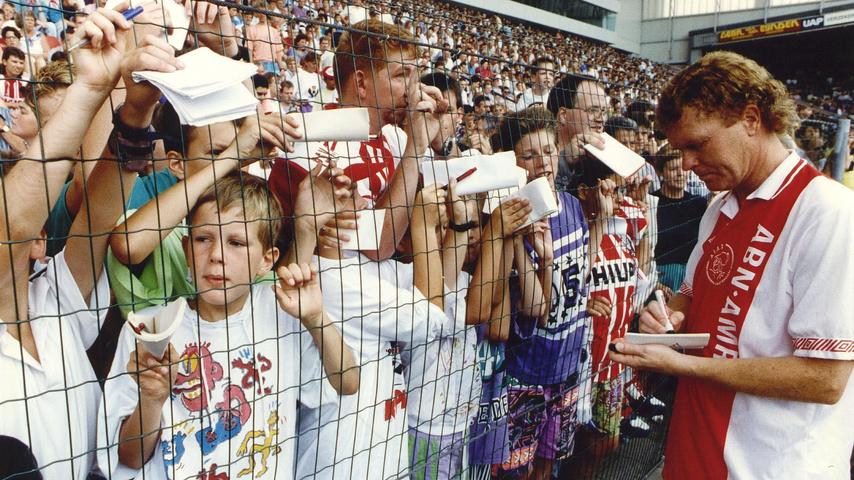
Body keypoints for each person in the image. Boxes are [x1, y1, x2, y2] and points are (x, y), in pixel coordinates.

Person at [610, 51, 854, 479]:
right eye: (679, 149)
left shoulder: (828, 213)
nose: (686, 163)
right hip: (694, 453)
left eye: (696, 145)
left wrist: (683, 365)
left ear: (751, 119)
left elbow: (826, 379)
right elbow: (690, 299)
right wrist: (668, 317)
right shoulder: (721, 206)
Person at [0, 9, 181, 478]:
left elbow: (100, 212)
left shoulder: (51, 299)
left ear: (43, 240)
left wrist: (135, 112)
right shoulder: (18, 232)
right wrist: (85, 91)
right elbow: (12, 226)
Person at [99, 170, 359, 479]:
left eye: (236, 243)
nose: (217, 255)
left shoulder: (281, 312)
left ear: (267, 259)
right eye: (203, 239)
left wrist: (316, 319)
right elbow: (130, 457)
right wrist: (152, 399)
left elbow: (348, 382)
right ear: (186, 250)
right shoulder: (148, 329)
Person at [490, 107, 589, 479]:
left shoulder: (574, 206)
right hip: (526, 371)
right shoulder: (510, 221)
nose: (542, 162)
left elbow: (580, 274)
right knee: (516, 471)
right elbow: (535, 309)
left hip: (569, 364)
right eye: (529, 155)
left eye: (547, 150)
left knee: (551, 464)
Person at [651, 143, 707, 291]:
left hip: (693, 276)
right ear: (661, 172)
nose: (680, 174)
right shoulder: (651, 202)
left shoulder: (699, 204)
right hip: (661, 278)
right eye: (673, 169)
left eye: (683, 168)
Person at [546, 73, 606, 193]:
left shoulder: (601, 159)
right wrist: (564, 163)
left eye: (603, 111)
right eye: (592, 110)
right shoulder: (536, 155)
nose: (601, 119)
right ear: (563, 115)